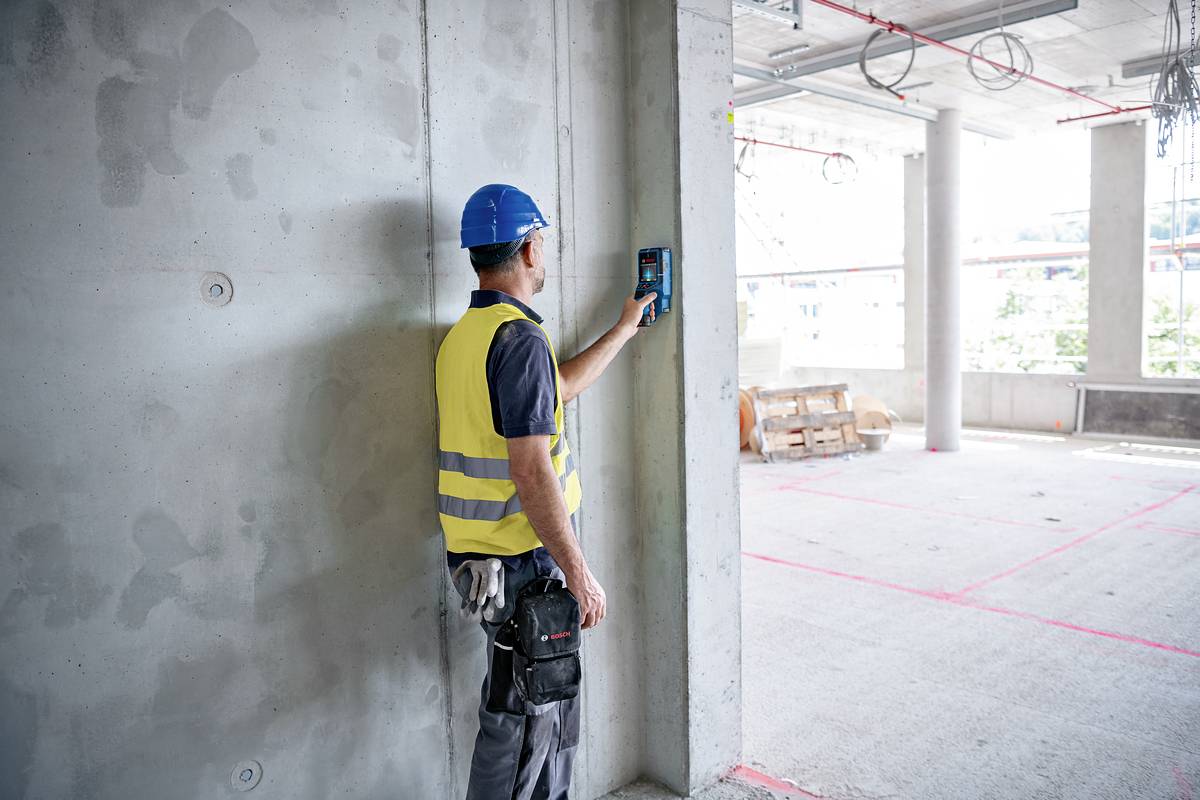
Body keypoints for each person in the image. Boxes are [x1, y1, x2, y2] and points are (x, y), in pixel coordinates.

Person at [435, 183, 656, 800]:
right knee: (530, 730)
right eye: (544, 244)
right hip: (526, 565)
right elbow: (531, 469)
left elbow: (551, 392)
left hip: (483, 563)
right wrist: (579, 573)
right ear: (530, 249)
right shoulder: (520, 341)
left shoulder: (467, 339)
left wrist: (623, 330)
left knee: (515, 715)